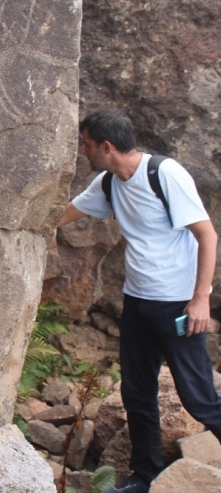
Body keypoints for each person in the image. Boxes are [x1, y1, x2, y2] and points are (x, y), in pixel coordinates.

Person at [58, 109, 220, 493]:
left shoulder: (164, 174)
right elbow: (64, 214)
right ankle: (144, 477)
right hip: (137, 303)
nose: (84, 152)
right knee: (137, 393)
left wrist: (201, 300)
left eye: (87, 145)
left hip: (178, 306)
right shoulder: (108, 183)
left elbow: (207, 235)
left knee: (199, 398)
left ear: (106, 146)